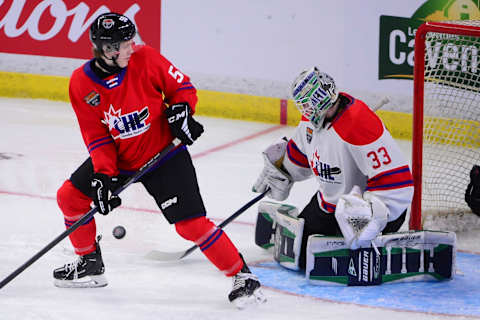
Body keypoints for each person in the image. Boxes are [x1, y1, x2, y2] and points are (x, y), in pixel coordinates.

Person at [53, 12, 265, 308]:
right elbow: (96, 136)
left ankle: (242, 276)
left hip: (165, 154)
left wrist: (181, 110)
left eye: (131, 41)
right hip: (120, 159)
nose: (132, 47)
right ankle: (89, 261)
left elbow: (183, 89)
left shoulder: (146, 58)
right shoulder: (81, 83)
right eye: (125, 44)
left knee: (190, 225)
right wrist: (103, 176)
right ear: (108, 50)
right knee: (69, 198)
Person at [253, 66, 414, 269]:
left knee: (352, 260)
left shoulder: (359, 123)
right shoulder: (310, 122)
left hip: (369, 211)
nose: (304, 111)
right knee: (302, 257)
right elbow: (300, 158)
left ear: (319, 101)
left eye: (306, 105)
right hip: (330, 203)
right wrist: (281, 170)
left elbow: (397, 183)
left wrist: (372, 218)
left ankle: (388, 247)